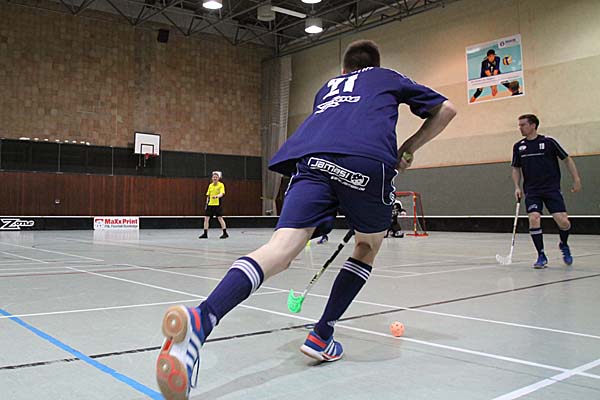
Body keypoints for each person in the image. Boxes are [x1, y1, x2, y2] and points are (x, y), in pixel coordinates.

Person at [155, 39, 456, 400]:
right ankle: (322, 334)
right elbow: (446, 109)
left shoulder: (326, 88)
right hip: (365, 161)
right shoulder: (387, 76)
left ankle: (203, 318)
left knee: (280, 249)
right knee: (367, 245)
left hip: (311, 159)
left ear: (344, 70)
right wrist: (408, 148)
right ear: (374, 65)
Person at [511, 114, 582, 269]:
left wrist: (576, 179)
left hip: (551, 189)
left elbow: (567, 159)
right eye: (519, 125)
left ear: (533, 125)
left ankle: (563, 244)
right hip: (532, 190)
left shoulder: (549, 142)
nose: (520, 128)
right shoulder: (518, 147)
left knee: (564, 222)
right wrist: (517, 186)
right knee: (534, 218)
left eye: (523, 125)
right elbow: (516, 168)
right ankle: (541, 255)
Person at [198, 172, 229, 239]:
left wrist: (217, 196)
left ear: (218, 178)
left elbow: (222, 193)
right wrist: (206, 203)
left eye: (216, 177)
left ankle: (225, 233)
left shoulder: (221, 185)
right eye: (214, 177)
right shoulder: (210, 185)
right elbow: (208, 195)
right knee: (206, 218)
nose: (215, 178)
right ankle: (205, 233)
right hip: (210, 205)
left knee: (220, 218)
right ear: (212, 178)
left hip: (217, 204)